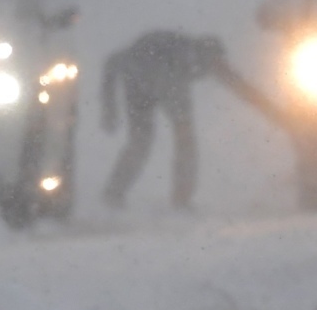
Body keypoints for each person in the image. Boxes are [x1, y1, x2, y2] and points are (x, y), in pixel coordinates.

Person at [99, 29, 276, 210]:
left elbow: (237, 83)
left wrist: (109, 110)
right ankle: (180, 199)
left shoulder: (194, 53)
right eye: (217, 63)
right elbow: (233, 82)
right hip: (158, 72)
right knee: (184, 139)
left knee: (141, 141)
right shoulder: (184, 57)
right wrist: (109, 109)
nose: (220, 67)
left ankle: (114, 193)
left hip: (137, 77)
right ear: (208, 56)